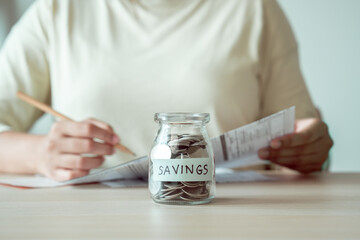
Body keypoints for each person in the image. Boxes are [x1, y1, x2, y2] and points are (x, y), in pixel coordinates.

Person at [0, 0, 333, 181]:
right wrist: (40, 154)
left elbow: (301, 135)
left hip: (231, 218)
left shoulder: (255, 9)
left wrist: (309, 148)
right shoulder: (57, 10)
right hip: (86, 222)